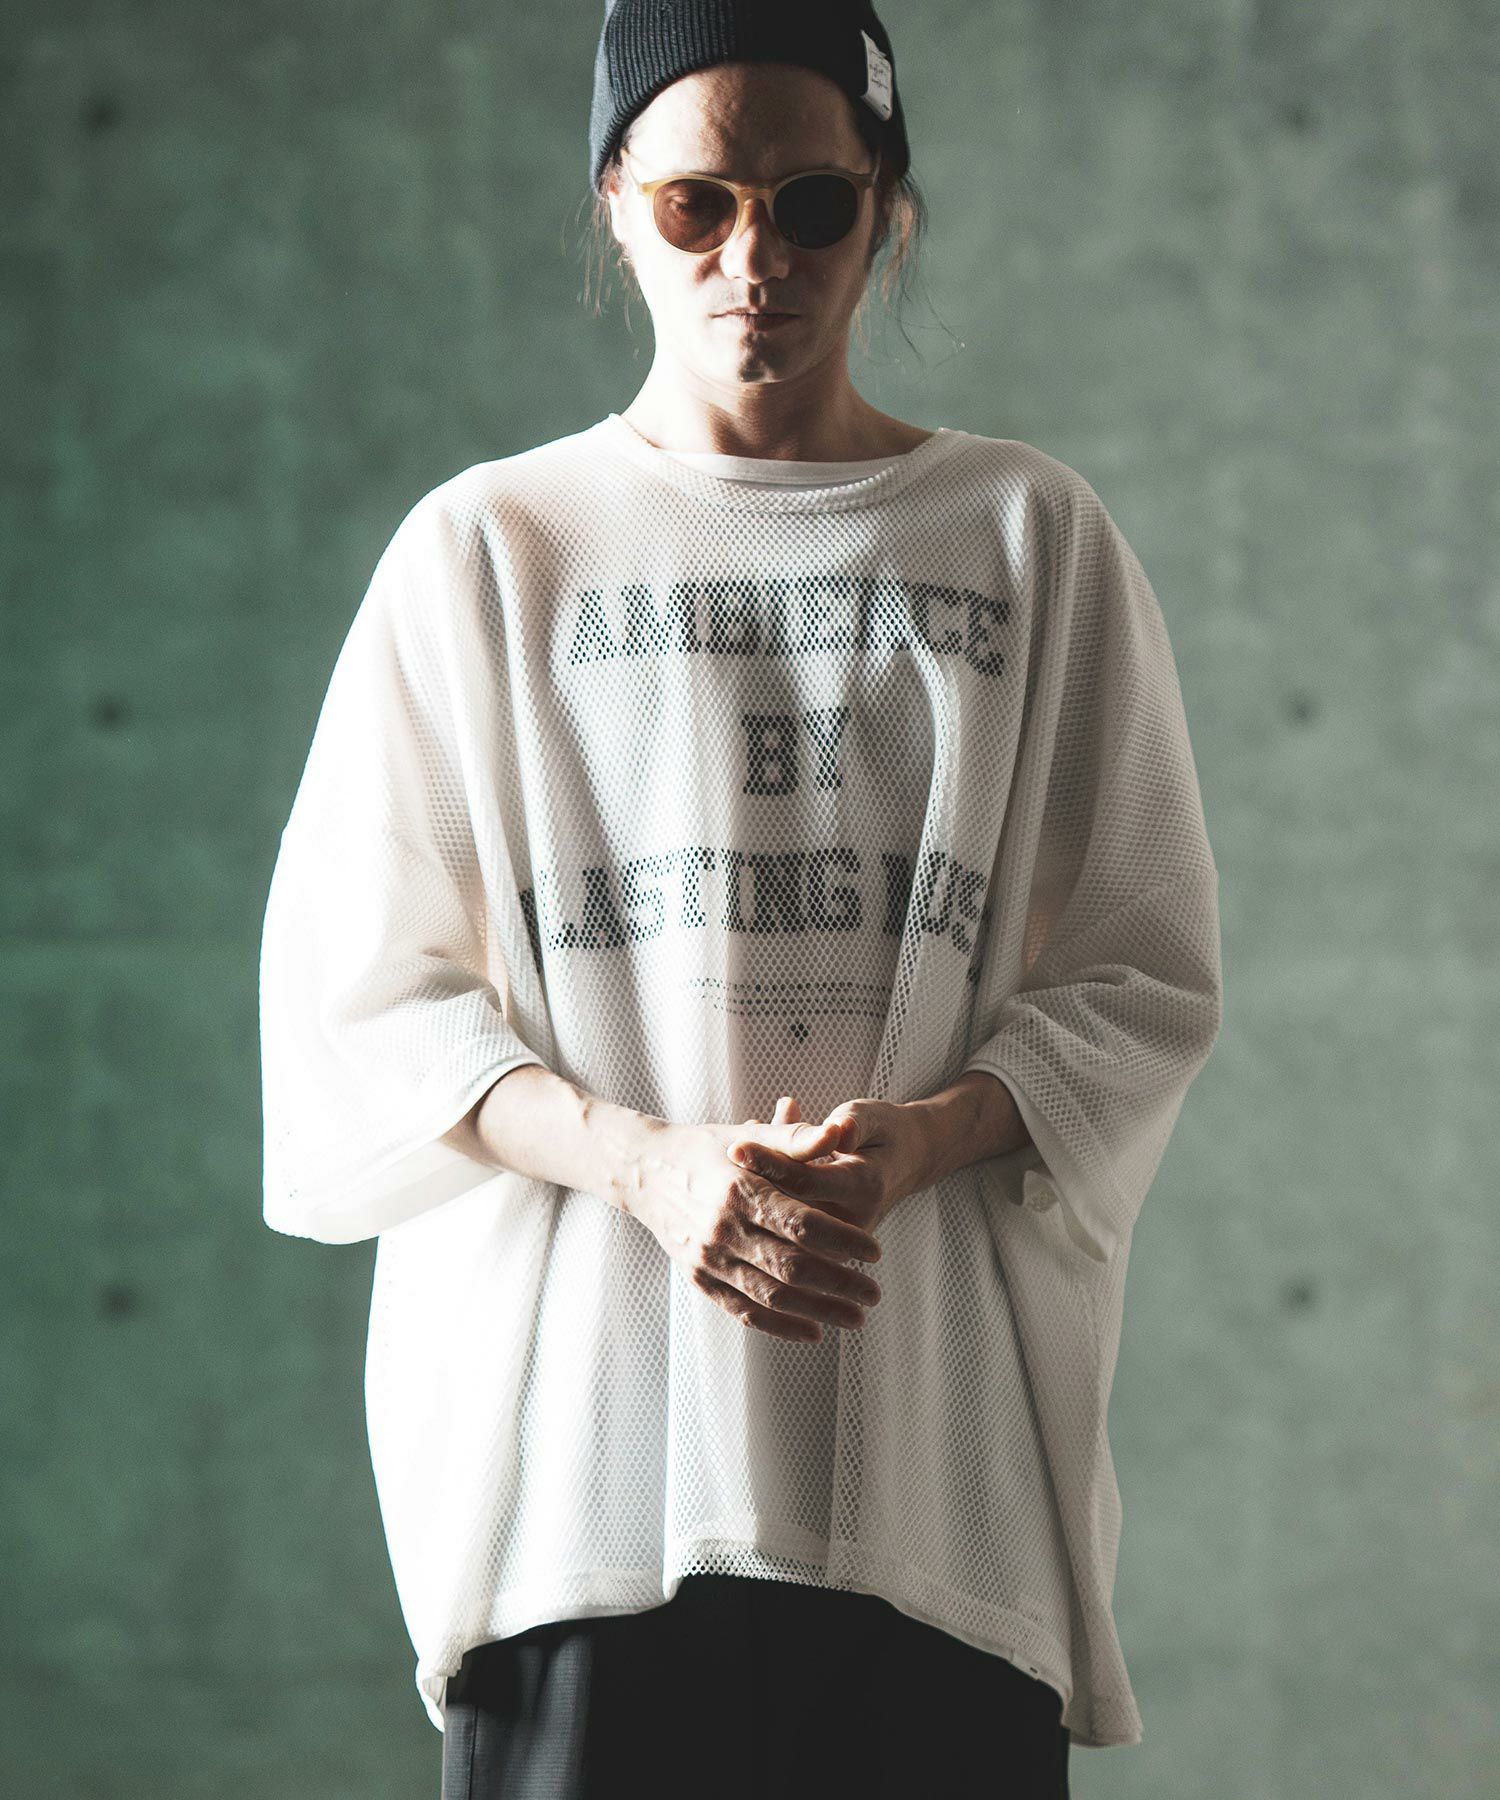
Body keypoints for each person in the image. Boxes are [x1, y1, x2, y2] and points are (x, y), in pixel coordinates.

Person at [256, 2, 1224, 1795]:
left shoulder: (1026, 537)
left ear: (889, 211)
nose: (755, 260)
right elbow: (366, 997)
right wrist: (649, 1165)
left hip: (936, 1487)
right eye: (699, 204)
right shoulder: (493, 550)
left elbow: (1140, 972)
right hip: (590, 1488)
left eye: (813, 204)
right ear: (618, 204)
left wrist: (923, 1141)